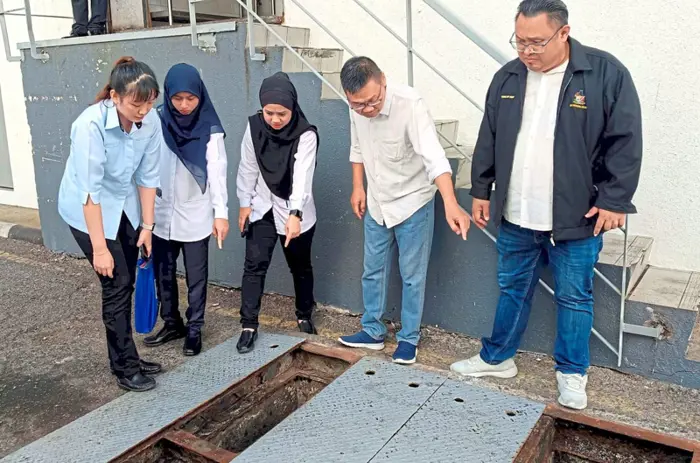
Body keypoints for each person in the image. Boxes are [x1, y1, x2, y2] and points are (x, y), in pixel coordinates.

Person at [450, 0, 642, 410]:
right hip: (517, 214)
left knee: (575, 297)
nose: (527, 51)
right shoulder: (509, 76)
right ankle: (497, 357)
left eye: (536, 42)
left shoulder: (605, 74)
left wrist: (615, 200)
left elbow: (625, 141)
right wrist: (481, 191)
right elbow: (490, 137)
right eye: (519, 42)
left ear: (564, 33)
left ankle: (572, 373)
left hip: (577, 216)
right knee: (512, 288)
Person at [337, 57, 470, 365]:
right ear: (348, 96)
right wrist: (358, 187)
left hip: (413, 201)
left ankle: (409, 338)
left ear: (383, 80)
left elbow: (435, 157)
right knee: (372, 269)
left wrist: (450, 202)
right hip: (378, 203)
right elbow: (357, 148)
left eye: (374, 101)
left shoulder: (410, 103)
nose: (368, 109)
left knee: (412, 275)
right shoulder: (355, 107)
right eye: (359, 105)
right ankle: (372, 330)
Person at [57, 56, 163, 392]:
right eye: (136, 103)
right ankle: (125, 368)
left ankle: (126, 355)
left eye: (149, 102)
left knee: (127, 280)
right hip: (87, 209)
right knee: (116, 283)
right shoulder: (89, 125)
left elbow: (148, 176)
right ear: (114, 97)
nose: (144, 110)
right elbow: (90, 192)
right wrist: (100, 247)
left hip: (124, 204)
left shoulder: (151, 120)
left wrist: (148, 226)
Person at [143, 63, 229, 357]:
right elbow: (144, 165)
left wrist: (221, 214)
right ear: (167, 96)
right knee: (163, 273)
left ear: (200, 96)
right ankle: (172, 323)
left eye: (190, 99)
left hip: (196, 214)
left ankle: (194, 329)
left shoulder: (210, 129)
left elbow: (217, 173)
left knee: (196, 277)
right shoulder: (155, 121)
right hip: (161, 212)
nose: (183, 105)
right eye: (177, 99)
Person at [235, 72, 320, 354]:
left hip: (294, 208)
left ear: (293, 108)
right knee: (254, 264)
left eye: (281, 113)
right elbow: (247, 166)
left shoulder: (305, 134)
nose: (274, 119)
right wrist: (244, 203)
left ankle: (304, 312)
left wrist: (295, 213)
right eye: (269, 112)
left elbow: (302, 176)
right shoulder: (254, 127)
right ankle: (248, 324)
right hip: (261, 205)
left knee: (300, 265)